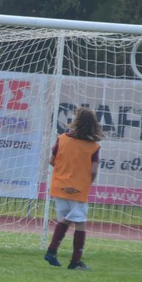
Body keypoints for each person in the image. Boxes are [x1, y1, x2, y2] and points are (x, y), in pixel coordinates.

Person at [44, 107, 103, 270]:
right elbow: (93, 171)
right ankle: (73, 260)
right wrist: (85, 182)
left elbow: (52, 160)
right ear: (93, 125)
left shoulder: (62, 139)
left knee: (66, 218)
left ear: (76, 122)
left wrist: (65, 172)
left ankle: (53, 252)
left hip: (59, 186)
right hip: (78, 189)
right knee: (80, 222)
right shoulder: (93, 146)